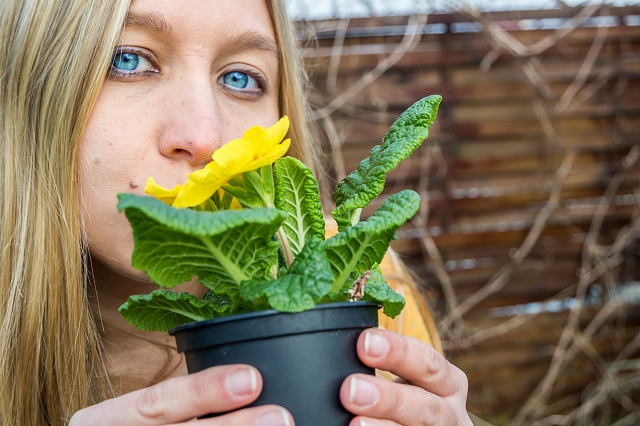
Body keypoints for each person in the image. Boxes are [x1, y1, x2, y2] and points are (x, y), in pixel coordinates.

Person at [0, 0, 471, 424]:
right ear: (27, 91)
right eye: (129, 60)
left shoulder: (353, 274)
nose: (206, 138)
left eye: (239, 78)